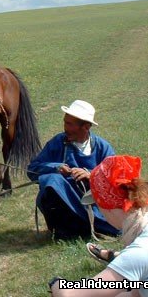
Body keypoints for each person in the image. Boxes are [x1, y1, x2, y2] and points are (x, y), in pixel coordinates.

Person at [49, 155, 148, 297]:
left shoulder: (141, 251)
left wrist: (56, 284)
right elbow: (138, 294)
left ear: (107, 206)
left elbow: (69, 296)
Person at [28, 100, 119, 240]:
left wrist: (91, 175)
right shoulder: (57, 142)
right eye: (65, 122)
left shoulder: (103, 147)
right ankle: (64, 230)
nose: (65, 128)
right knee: (52, 180)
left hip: (93, 205)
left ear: (86, 126)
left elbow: (115, 178)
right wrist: (55, 167)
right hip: (62, 207)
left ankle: (90, 225)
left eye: (69, 124)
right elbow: (33, 169)